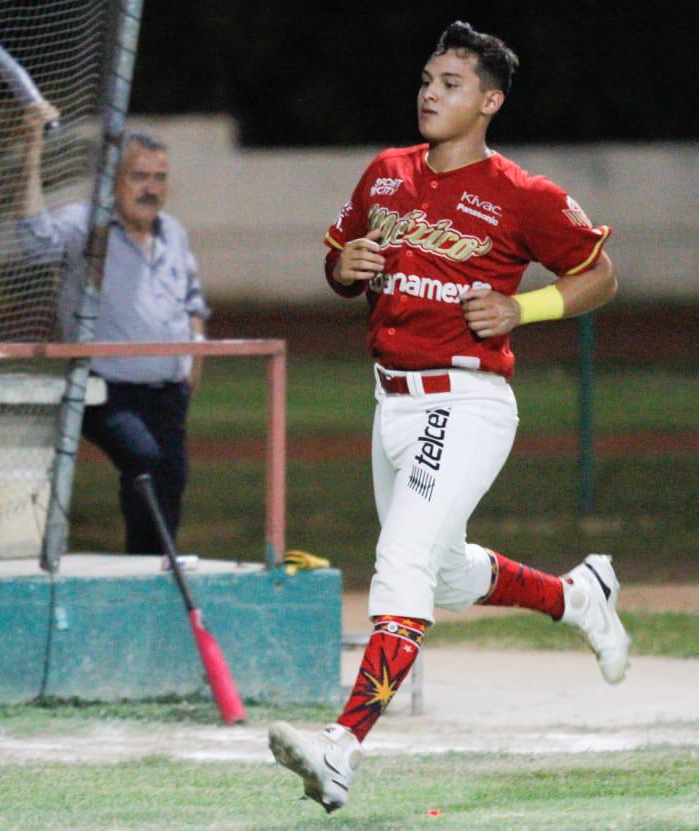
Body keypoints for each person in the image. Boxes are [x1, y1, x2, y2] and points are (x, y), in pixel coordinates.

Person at [267, 21, 630, 813]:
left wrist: (522, 306)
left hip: (465, 402)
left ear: (490, 101)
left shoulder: (522, 194)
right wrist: (343, 266)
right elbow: (341, 262)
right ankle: (578, 596)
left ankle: (341, 749)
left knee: (399, 564)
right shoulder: (385, 173)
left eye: (452, 83)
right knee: (443, 570)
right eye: (428, 78)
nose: (431, 92)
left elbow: (599, 275)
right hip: (389, 401)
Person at [16, 101, 210, 560]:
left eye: (159, 178)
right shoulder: (89, 226)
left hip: (168, 391)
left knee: (172, 476)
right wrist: (31, 148)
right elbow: (32, 238)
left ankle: (153, 569)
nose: (151, 188)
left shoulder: (174, 234)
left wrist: (190, 371)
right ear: (114, 180)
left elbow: (194, 307)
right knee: (144, 460)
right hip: (106, 389)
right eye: (139, 177)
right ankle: (148, 572)